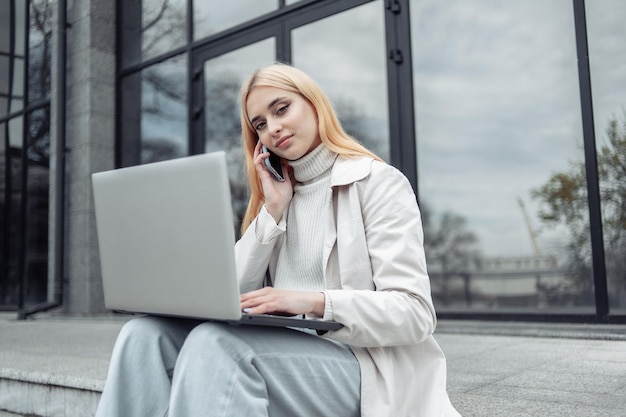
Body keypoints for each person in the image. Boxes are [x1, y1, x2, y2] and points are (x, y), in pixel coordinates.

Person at [95, 63, 461, 417]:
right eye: (260, 124)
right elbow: (228, 295)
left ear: (314, 103)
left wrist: (312, 302)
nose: (273, 128)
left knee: (220, 346)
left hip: (366, 369)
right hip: (286, 355)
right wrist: (272, 213)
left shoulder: (377, 182)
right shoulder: (276, 203)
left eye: (282, 109)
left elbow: (414, 313)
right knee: (142, 336)